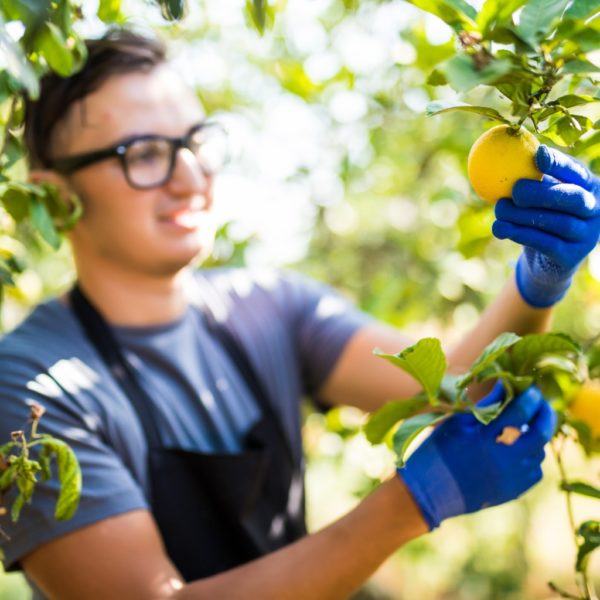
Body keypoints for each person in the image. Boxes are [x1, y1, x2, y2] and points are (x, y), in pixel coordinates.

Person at [0, 26, 597, 599]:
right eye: (144, 153)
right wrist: (412, 502)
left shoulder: (268, 308)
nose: (190, 178)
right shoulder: (29, 389)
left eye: (194, 142)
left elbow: (459, 389)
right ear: (56, 196)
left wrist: (538, 280)